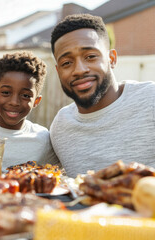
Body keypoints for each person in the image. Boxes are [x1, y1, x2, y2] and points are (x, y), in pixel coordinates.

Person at [49, 13, 155, 177]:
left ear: (112, 58)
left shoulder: (151, 99)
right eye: (66, 63)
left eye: (90, 57)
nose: (79, 70)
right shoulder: (60, 126)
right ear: (58, 71)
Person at [0, 51, 59, 172]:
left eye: (25, 95)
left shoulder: (43, 139)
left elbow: (56, 176)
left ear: (36, 101)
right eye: (6, 92)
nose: (14, 102)